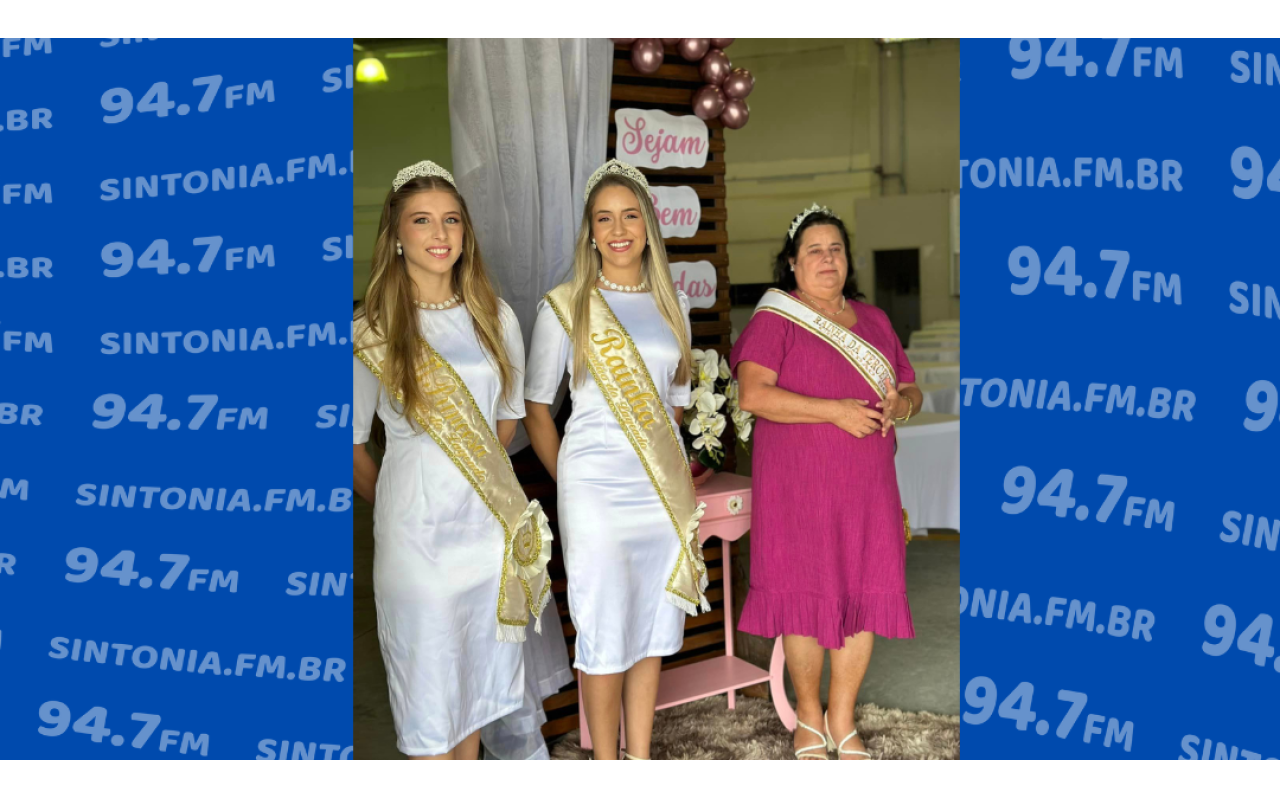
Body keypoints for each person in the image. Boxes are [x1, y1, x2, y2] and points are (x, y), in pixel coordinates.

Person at [352, 160, 553, 760]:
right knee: (430, 701)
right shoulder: (371, 330)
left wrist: (472, 482)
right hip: (418, 546)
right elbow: (350, 444)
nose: (439, 234)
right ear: (396, 234)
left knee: (475, 697)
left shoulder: (495, 316)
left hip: (486, 538)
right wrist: (402, 498)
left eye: (452, 220)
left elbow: (508, 416)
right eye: (422, 220)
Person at [524, 159, 707, 760]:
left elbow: (672, 408)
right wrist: (570, 479)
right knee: (602, 630)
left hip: (657, 493)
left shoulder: (671, 303)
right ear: (590, 231)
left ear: (648, 225)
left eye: (629, 215)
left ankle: (640, 753)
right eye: (604, 218)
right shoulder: (566, 306)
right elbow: (536, 409)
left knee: (653, 628)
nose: (618, 228)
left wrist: (661, 470)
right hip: (594, 491)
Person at [730, 204, 922, 761]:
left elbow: (910, 389)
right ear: (792, 263)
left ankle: (843, 717)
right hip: (798, 492)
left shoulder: (877, 321)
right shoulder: (776, 319)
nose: (827, 258)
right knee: (803, 598)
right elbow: (754, 395)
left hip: (868, 492)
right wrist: (835, 412)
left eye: (835, 249)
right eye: (814, 250)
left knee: (865, 594)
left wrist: (899, 407)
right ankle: (809, 719)